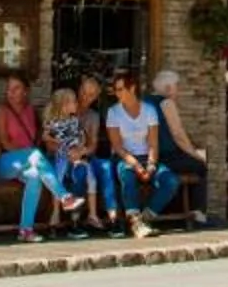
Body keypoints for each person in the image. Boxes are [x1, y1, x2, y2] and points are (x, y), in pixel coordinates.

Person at [0, 74, 80, 241]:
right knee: (34, 154)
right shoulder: (1, 112)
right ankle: (64, 196)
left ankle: (25, 230)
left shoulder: (30, 111)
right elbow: (4, 144)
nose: (10, 92)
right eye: (9, 88)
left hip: (28, 163)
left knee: (34, 177)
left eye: (16, 88)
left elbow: (37, 139)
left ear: (26, 91)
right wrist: (29, 155)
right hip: (6, 162)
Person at [105, 69, 179, 237]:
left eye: (120, 89)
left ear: (132, 88)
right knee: (127, 174)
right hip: (125, 157)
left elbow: (153, 143)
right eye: (115, 90)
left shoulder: (149, 110)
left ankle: (144, 218)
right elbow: (117, 146)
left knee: (171, 180)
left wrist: (151, 165)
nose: (117, 93)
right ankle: (135, 220)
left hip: (147, 157)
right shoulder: (113, 112)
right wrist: (136, 165)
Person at [148, 69, 213, 227]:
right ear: (169, 88)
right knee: (200, 166)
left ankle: (177, 213)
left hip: (151, 156)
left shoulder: (145, 101)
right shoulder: (166, 102)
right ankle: (198, 214)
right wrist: (195, 155)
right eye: (177, 86)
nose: (178, 91)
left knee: (179, 172)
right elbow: (178, 134)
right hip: (166, 155)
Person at [40, 79, 104, 235]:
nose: (79, 101)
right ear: (64, 105)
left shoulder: (75, 120)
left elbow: (81, 137)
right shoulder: (53, 122)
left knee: (86, 175)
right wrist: (63, 146)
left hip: (76, 155)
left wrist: (80, 148)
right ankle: (55, 216)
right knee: (59, 179)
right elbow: (46, 139)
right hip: (61, 156)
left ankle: (91, 215)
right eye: (75, 100)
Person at [73, 73, 122, 231]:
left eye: (91, 95)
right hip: (66, 156)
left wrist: (84, 151)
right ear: (79, 90)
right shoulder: (66, 109)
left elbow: (93, 144)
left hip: (86, 155)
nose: (86, 97)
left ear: (96, 97)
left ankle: (113, 218)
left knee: (106, 167)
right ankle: (76, 218)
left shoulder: (93, 116)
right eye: (84, 93)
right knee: (79, 170)